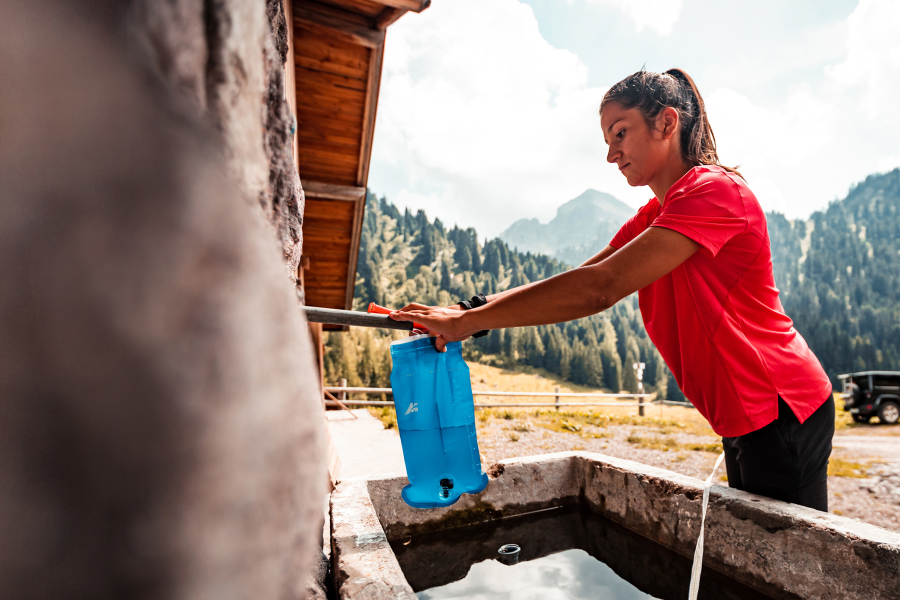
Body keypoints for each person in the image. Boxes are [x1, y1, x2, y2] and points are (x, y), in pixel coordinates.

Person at [389, 68, 835, 511]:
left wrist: (466, 323)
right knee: (758, 551)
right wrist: (466, 311)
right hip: (746, 412)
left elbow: (599, 289)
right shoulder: (658, 212)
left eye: (620, 133)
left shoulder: (714, 191)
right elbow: (583, 275)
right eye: (607, 141)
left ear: (666, 122)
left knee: (789, 564)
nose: (611, 155)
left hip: (781, 404)